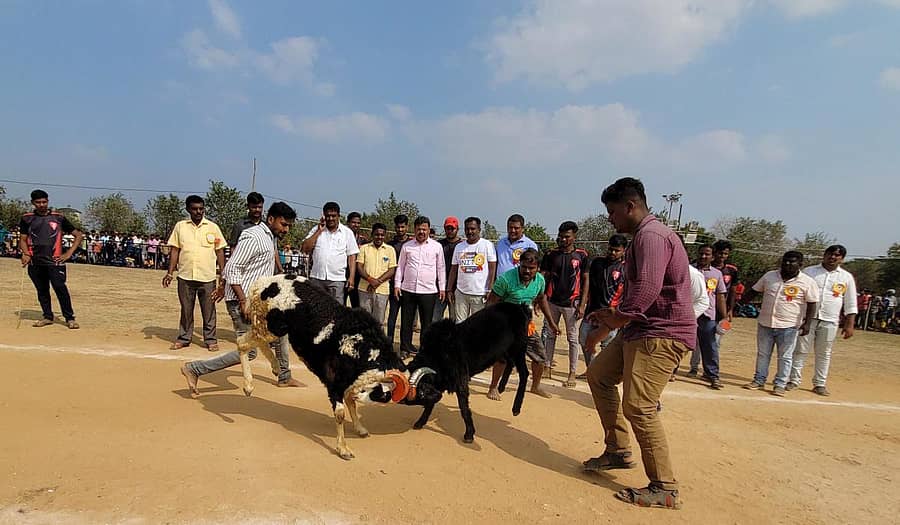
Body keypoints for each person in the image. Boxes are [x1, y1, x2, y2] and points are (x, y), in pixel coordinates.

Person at [583, 177, 695, 510]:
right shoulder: (642, 238)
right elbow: (638, 295)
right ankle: (617, 450)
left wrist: (613, 320)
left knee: (640, 406)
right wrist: (606, 325)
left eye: (612, 211)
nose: (609, 218)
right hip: (639, 329)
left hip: (661, 332)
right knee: (599, 375)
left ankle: (664, 487)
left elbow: (645, 292)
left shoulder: (652, 236)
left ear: (630, 206)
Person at [180, 202, 303, 396]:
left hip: (257, 302)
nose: (286, 229)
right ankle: (195, 369)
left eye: (288, 226)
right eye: (283, 224)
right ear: (271, 219)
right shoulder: (254, 236)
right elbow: (232, 268)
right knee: (250, 351)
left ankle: (284, 376)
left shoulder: (268, 238)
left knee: (281, 331)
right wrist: (242, 300)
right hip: (243, 303)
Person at [486, 248, 560, 400]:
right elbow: (491, 302)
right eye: (524, 266)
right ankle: (493, 387)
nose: (527, 270)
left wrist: (552, 323)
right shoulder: (505, 279)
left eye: (531, 268)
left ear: (537, 268)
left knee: (540, 357)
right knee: (503, 358)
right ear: (519, 265)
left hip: (526, 324)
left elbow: (541, 299)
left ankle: (535, 386)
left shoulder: (540, 280)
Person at [742, 251, 819, 396]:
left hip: (789, 325)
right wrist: (736, 306)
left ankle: (780, 384)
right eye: (785, 261)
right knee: (763, 354)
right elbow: (753, 291)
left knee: (785, 356)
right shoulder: (769, 276)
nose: (787, 264)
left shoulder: (808, 282)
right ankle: (759, 380)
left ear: (800, 265)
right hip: (765, 323)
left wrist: (807, 324)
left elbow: (812, 304)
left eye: (792, 262)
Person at [788, 245, 857, 396]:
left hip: (830, 320)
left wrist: (849, 324)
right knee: (800, 350)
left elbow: (850, 302)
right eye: (830, 254)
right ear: (824, 255)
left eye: (837, 256)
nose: (833, 257)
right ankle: (793, 380)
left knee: (824, 353)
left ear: (842, 259)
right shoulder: (809, 272)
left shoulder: (846, 277)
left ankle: (820, 383)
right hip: (808, 318)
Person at [162, 195, 226, 351]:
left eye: (201, 208)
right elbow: (175, 250)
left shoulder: (213, 227)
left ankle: (210, 339)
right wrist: (170, 272)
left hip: (207, 277)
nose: (198, 212)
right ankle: (184, 338)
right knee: (186, 309)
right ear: (188, 209)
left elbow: (219, 251)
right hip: (185, 276)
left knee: (209, 310)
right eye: (195, 209)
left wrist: (223, 275)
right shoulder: (180, 226)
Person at [18, 189, 84, 329]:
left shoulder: (58, 217)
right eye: (38, 202)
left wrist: (68, 253)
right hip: (36, 262)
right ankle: (47, 316)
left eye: (44, 201)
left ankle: (69, 318)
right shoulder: (27, 218)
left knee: (60, 288)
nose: (42, 204)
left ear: (48, 201)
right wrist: (25, 253)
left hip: (55, 261)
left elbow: (78, 235)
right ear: (33, 203)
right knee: (42, 290)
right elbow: (23, 239)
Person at [540, 221, 590, 388]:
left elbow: (585, 280)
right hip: (552, 301)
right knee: (550, 334)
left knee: (572, 339)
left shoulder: (582, 255)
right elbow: (544, 277)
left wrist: (582, 304)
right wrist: (540, 298)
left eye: (566, 237)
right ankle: (547, 366)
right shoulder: (551, 255)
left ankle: (572, 372)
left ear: (574, 237)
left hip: (572, 303)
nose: (562, 239)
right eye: (560, 236)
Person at [575, 234, 627, 378]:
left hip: (611, 314)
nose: (613, 253)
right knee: (584, 338)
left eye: (617, 250)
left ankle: (602, 374)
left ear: (623, 251)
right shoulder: (597, 263)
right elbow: (587, 284)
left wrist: (618, 312)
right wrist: (582, 304)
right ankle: (592, 370)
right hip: (592, 311)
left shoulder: (626, 269)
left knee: (607, 345)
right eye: (611, 249)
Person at [394, 216, 445, 357]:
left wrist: (442, 288)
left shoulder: (437, 247)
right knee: (406, 321)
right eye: (418, 229)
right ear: (414, 230)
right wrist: (397, 285)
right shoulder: (407, 246)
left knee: (427, 323)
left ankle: (425, 350)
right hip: (408, 289)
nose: (421, 232)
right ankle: (405, 348)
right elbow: (400, 267)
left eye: (424, 229)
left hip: (428, 291)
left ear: (429, 230)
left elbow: (440, 268)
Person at [301, 201, 359, 304]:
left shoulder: (347, 233)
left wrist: (351, 278)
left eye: (333, 216)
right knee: (316, 310)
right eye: (328, 216)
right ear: (324, 215)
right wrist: (319, 231)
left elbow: (352, 257)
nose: (330, 218)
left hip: (337, 280)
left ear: (338, 216)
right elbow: (305, 248)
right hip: (317, 278)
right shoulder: (316, 230)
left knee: (336, 312)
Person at [687, 244, 727, 389]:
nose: (703, 256)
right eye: (701, 253)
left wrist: (724, 316)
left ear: (713, 256)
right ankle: (671, 370)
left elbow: (720, 295)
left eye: (707, 254)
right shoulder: (688, 270)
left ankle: (712, 375)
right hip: (689, 313)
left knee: (710, 346)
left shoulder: (717, 274)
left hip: (708, 315)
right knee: (680, 342)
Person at [447, 216, 497, 323]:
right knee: (460, 324)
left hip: (480, 294)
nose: (470, 231)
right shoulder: (459, 247)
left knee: (478, 326)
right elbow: (454, 270)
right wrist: (449, 289)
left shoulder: (487, 245)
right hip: (461, 293)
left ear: (479, 230)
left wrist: (489, 289)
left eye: (473, 229)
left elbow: (492, 269)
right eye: (467, 229)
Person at [356, 222, 397, 326]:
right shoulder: (364, 248)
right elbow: (359, 267)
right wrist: (370, 279)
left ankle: (376, 342)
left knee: (378, 321)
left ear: (385, 235)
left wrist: (377, 282)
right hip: (364, 289)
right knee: (364, 320)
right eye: (377, 234)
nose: (379, 237)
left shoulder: (390, 250)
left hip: (382, 291)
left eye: (382, 235)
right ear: (372, 234)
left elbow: (392, 270)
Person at [386, 214, 410, 343]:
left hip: (408, 287)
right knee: (392, 317)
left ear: (407, 227)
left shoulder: (413, 244)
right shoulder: (390, 245)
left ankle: (404, 346)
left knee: (406, 319)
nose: (400, 230)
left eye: (402, 227)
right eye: (398, 227)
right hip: (392, 286)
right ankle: (389, 343)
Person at [434, 216, 463, 322]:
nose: (450, 231)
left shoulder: (462, 246)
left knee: (455, 320)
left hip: (456, 289)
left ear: (457, 229)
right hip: (439, 289)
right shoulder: (438, 245)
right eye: (448, 228)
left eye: (452, 228)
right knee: (435, 319)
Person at [344, 211, 368, 308]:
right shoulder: (341, 237)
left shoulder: (363, 240)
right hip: (343, 275)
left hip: (358, 277)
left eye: (358, 223)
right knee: (341, 303)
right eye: (353, 222)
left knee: (357, 305)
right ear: (348, 223)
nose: (356, 225)